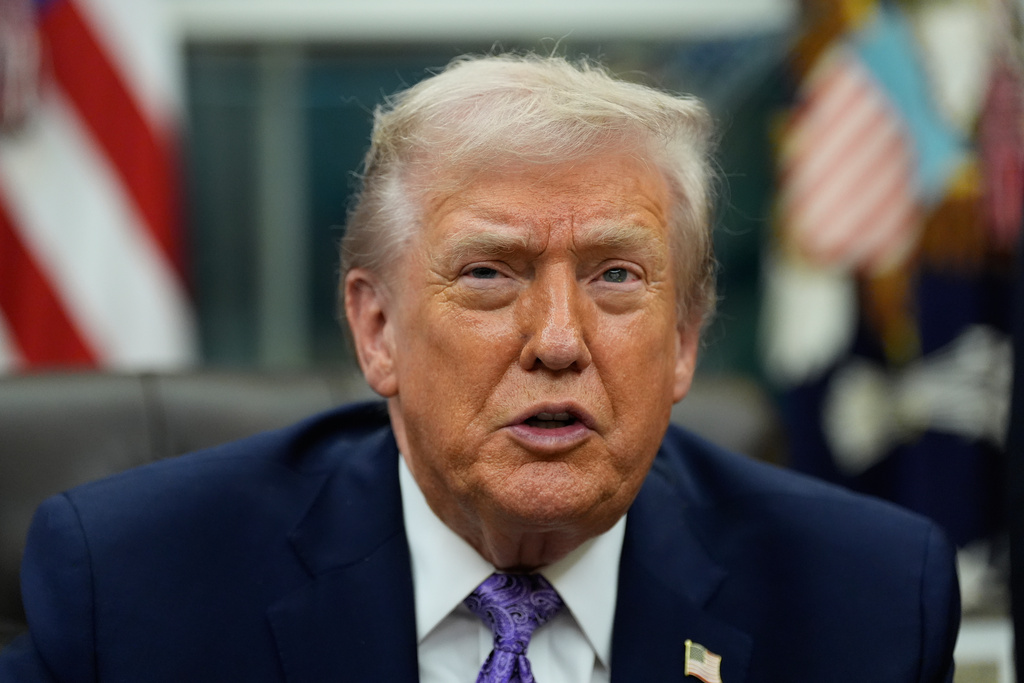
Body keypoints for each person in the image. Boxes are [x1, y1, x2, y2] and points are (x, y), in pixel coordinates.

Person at [0, 53, 958, 682]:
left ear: (683, 341)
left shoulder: (865, 601)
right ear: (378, 329)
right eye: (490, 273)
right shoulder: (132, 588)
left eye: (616, 275)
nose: (557, 338)